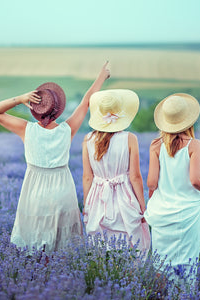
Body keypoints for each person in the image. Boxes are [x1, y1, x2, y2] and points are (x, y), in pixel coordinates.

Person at [0, 62, 111, 252]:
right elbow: (86, 102)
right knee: (62, 248)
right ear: (58, 110)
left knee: (36, 246)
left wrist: (20, 98)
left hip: (34, 191)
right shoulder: (67, 130)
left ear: (36, 109)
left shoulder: (26, 130)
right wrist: (102, 76)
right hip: (63, 190)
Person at [143, 93, 200, 288]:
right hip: (187, 213)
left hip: (162, 213)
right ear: (189, 121)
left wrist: (154, 194)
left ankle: (161, 294)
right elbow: (195, 179)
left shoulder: (155, 145)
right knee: (187, 260)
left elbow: (151, 182)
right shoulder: (194, 145)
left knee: (161, 263)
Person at [81, 89, 151, 253]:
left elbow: (87, 177)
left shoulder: (88, 139)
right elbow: (135, 177)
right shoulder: (129, 138)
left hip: (97, 196)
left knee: (100, 244)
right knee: (129, 242)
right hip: (123, 195)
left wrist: (87, 205)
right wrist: (142, 206)